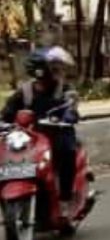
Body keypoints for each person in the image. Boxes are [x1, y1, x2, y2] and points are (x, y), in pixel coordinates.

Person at [2, 48, 80, 211]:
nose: (59, 72)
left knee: (66, 153)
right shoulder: (25, 91)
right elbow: (7, 112)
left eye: (59, 67)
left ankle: (65, 199)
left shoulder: (64, 89)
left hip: (58, 134)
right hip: (31, 138)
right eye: (54, 68)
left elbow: (72, 108)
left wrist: (69, 116)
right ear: (41, 71)